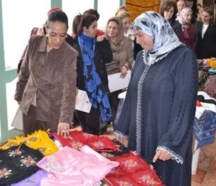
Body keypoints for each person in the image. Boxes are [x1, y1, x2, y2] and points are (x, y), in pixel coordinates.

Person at [114, 11, 197, 186]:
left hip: (164, 136)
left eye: (140, 35)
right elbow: (132, 93)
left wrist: (172, 143)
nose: (137, 41)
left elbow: (185, 104)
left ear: (156, 30)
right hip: (140, 135)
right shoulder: (142, 57)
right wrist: (121, 128)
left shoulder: (182, 57)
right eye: (135, 36)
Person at [14, 10, 78, 137]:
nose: (58, 40)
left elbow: (69, 88)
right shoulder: (34, 42)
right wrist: (19, 96)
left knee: (55, 148)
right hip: (30, 104)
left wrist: (65, 118)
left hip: (53, 109)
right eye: (53, 34)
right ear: (46, 29)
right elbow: (24, 71)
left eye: (63, 35)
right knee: (31, 145)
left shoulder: (69, 54)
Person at [72, 14, 113, 135]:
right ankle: (87, 149)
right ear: (85, 29)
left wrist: (104, 43)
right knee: (84, 123)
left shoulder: (98, 42)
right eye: (93, 26)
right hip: (81, 88)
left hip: (97, 89)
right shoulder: (74, 44)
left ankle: (94, 147)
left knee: (93, 125)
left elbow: (108, 58)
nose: (97, 29)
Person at [105, 16, 133, 123]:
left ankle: (119, 126)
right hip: (106, 77)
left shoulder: (127, 41)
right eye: (109, 27)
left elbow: (130, 58)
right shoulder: (103, 41)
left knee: (119, 103)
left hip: (120, 77)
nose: (111, 30)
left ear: (120, 29)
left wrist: (125, 65)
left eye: (114, 28)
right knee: (111, 102)